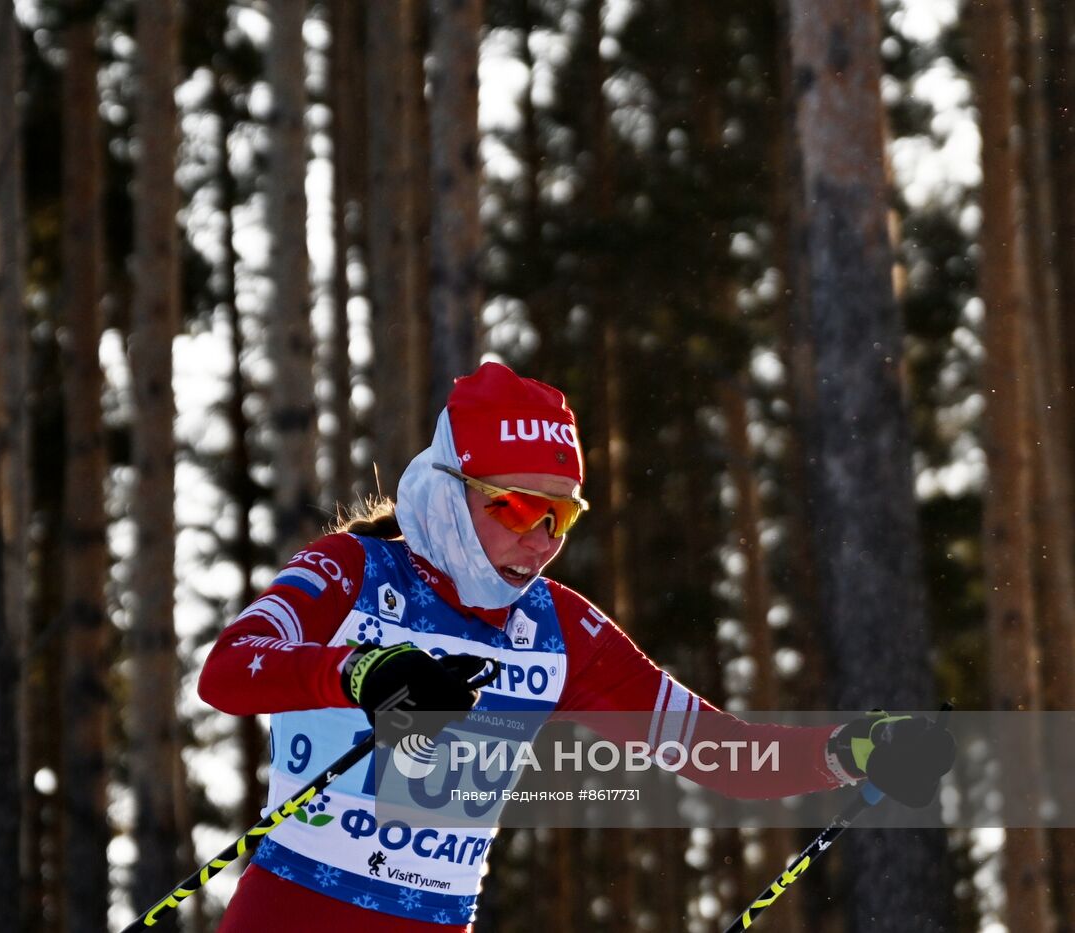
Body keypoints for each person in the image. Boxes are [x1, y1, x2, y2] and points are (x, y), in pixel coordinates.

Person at [198, 362, 951, 932]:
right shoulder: (353, 569)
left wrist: (853, 747)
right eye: (519, 506)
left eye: (561, 517)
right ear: (449, 490)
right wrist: (361, 671)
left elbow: (720, 751)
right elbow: (229, 671)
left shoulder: (562, 631)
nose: (540, 539)